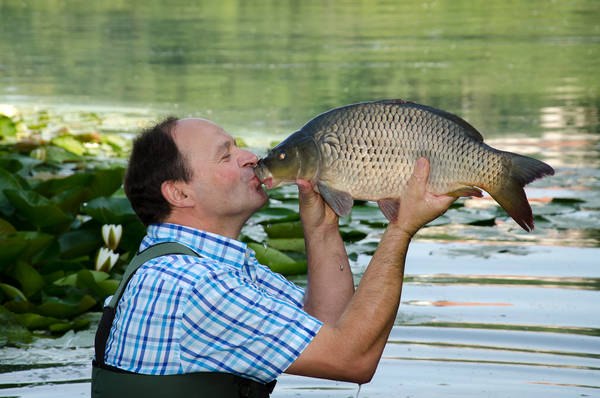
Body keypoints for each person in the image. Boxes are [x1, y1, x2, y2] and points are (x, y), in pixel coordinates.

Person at [91, 116, 456, 397]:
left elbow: (330, 326)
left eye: (239, 148)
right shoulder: (192, 285)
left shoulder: (210, 266)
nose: (250, 158)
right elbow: (351, 359)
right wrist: (401, 229)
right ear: (180, 193)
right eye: (226, 155)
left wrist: (321, 228)